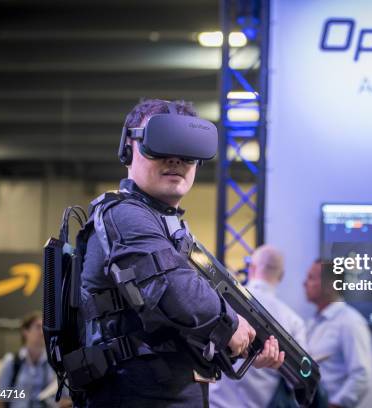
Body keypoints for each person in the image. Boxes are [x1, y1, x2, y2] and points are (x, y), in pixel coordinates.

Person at [80, 99, 283, 407]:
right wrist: (230, 325)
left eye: (187, 151)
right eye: (159, 146)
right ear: (128, 148)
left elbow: (174, 323)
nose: (175, 159)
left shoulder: (168, 227)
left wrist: (243, 347)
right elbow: (175, 292)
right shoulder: (125, 215)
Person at [210, 245, 306, 408]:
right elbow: (298, 380)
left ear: (251, 268)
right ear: (281, 276)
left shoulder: (218, 299)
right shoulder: (294, 321)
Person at [304, 261, 372, 408]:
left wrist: (335, 405)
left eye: (311, 278)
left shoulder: (350, 322)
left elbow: (361, 376)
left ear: (330, 285)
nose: (304, 283)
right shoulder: (313, 321)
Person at [0, 312, 71, 408]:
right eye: (38, 327)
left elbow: (66, 398)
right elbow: (1, 400)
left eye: (44, 327)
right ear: (25, 331)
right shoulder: (11, 361)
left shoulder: (55, 363)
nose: (42, 331)